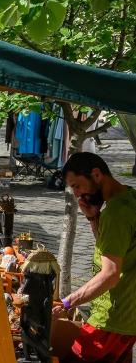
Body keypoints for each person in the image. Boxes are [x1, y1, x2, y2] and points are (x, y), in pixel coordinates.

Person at [53, 152, 136, 362]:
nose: (78, 194)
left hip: (111, 318)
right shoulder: (129, 197)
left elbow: (110, 274)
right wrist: (92, 218)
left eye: (77, 186)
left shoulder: (116, 213)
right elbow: (112, 249)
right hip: (128, 318)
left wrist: (67, 303)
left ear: (96, 174)